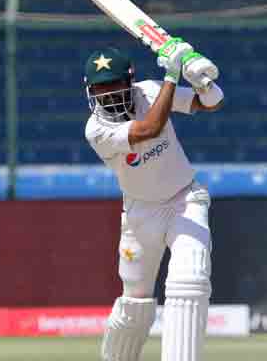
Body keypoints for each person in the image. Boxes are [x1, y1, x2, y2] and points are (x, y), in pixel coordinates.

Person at [83, 40, 223, 361]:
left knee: (190, 279)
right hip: (140, 214)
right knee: (135, 304)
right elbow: (150, 128)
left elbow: (209, 105)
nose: (108, 94)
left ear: (129, 80)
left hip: (185, 199)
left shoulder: (149, 91)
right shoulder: (96, 129)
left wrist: (202, 82)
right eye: (100, 88)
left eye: (114, 84)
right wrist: (173, 75)